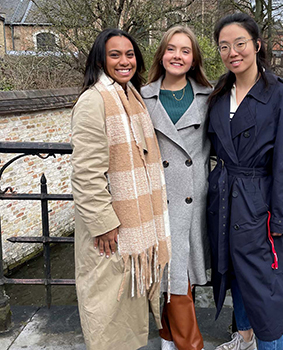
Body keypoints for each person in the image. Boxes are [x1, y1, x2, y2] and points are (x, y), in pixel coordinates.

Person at [206, 13, 283, 350]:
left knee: (265, 287)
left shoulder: (281, 95)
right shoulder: (220, 93)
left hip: (258, 202)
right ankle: (244, 337)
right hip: (224, 196)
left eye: (240, 43)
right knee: (234, 272)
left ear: (257, 45)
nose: (232, 52)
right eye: (224, 46)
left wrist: (282, 216)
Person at [70, 28, 171, 350]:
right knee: (107, 308)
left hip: (131, 226)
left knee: (124, 309)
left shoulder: (131, 96)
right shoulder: (94, 100)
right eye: (115, 55)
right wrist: (104, 224)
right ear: (101, 59)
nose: (124, 61)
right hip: (111, 230)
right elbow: (86, 173)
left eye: (129, 54)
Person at [141, 26, 212, 350]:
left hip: (192, 200)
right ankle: (180, 343)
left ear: (194, 58)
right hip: (157, 199)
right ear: (161, 54)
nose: (178, 56)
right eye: (171, 49)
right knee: (167, 276)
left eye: (185, 50)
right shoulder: (142, 96)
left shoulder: (209, 98)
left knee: (181, 275)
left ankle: (175, 341)